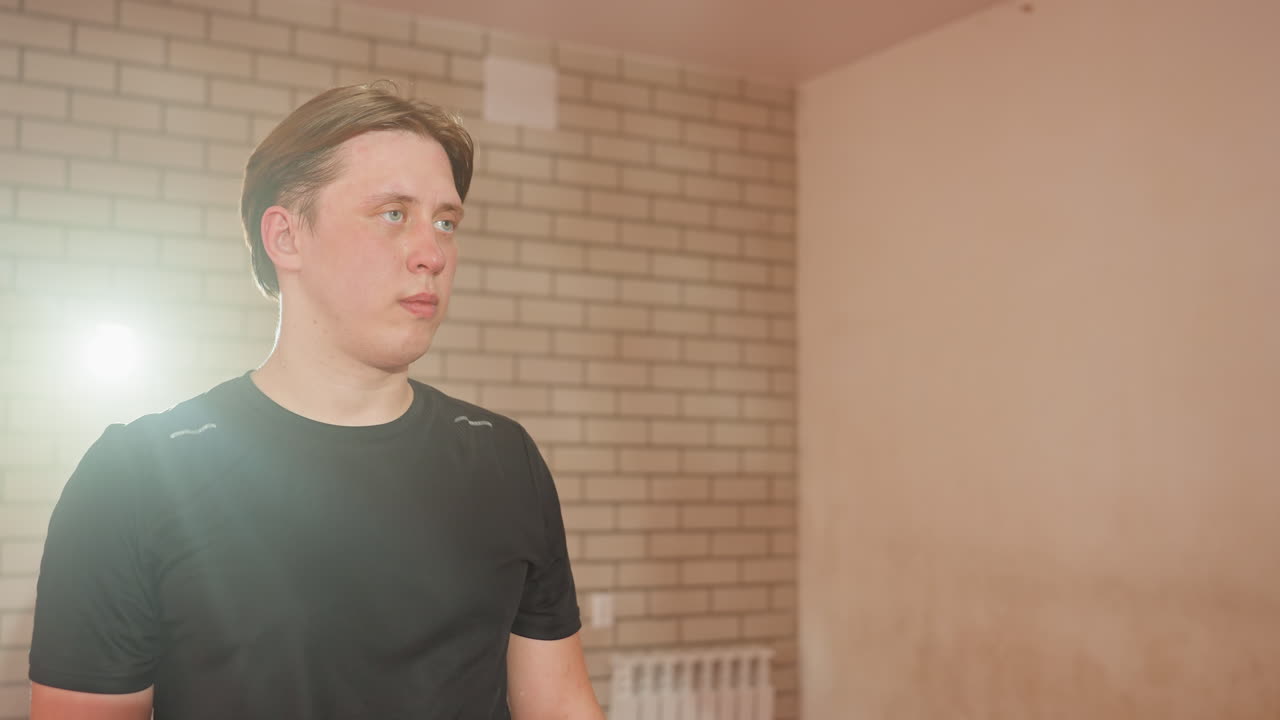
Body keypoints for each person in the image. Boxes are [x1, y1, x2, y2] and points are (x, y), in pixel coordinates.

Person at [28, 82, 605, 720]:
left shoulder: (504, 460)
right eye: (393, 214)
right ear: (286, 237)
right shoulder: (134, 477)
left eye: (445, 221)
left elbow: (558, 703)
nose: (432, 253)